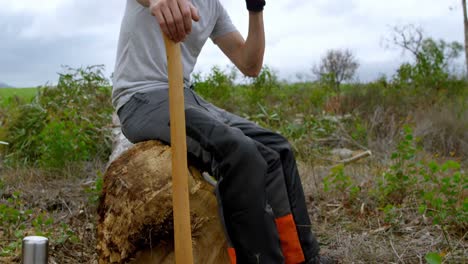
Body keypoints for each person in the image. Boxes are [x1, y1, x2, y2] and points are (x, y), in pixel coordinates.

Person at [112, 0, 332, 263]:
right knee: (240, 154)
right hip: (141, 99)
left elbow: (249, 64)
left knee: (276, 149)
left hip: (185, 94)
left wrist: (255, 9)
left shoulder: (212, 6)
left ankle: (303, 258)